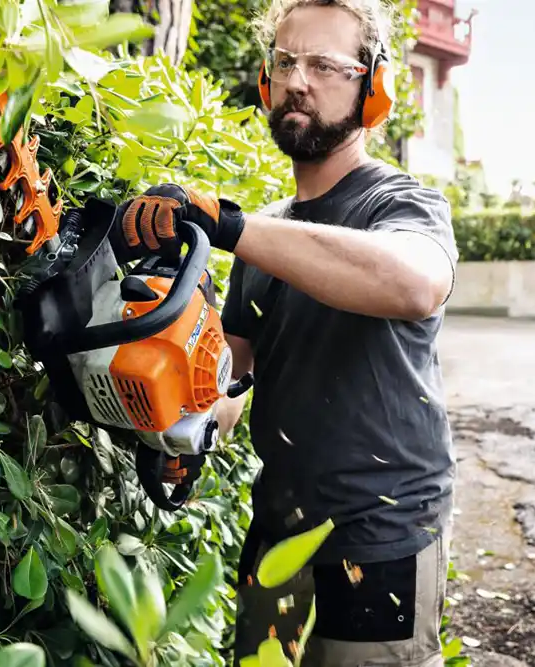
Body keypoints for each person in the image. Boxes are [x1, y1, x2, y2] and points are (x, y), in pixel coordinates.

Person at [108, 1, 459, 664]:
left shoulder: (401, 203)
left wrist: (229, 224)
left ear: (374, 86)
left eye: (326, 65)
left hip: (378, 533)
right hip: (278, 528)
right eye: (287, 62)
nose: (300, 79)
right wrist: (188, 425)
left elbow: (416, 285)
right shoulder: (270, 232)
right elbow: (237, 369)